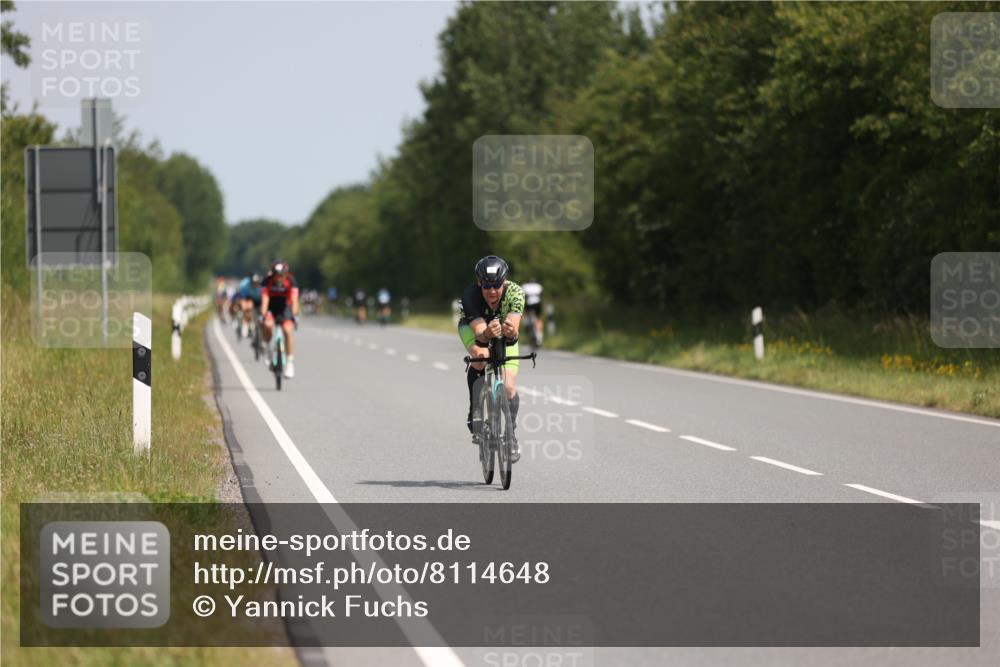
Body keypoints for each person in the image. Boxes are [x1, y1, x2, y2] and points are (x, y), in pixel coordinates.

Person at [457, 255, 526, 463]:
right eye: (487, 285)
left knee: (508, 386)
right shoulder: (470, 296)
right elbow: (479, 333)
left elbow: (514, 329)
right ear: (480, 283)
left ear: (504, 282)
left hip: (504, 337)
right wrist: (487, 333)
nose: (492, 291)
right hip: (475, 331)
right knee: (481, 356)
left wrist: (510, 331)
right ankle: (475, 409)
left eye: (497, 285)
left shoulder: (516, 293)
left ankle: (511, 435)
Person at [260, 260, 300, 379]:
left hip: (285, 307)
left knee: (288, 330)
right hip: (271, 306)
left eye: (282, 275)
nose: (279, 278)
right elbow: (265, 299)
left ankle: (289, 362)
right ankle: (267, 348)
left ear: (286, 274)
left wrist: (295, 316)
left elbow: (294, 300)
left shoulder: (291, 281)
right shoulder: (267, 281)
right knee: (267, 325)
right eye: (277, 275)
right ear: (272, 274)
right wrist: (263, 315)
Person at [235, 273, 263, 339]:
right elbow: (243, 299)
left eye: (257, 282)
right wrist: (244, 307)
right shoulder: (246, 286)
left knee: (262, 315)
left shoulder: (262, 287)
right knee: (248, 308)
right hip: (250, 300)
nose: (255, 284)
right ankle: (247, 324)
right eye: (253, 282)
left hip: (260, 301)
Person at [521, 277, 544, 346]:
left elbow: (521, 295)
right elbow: (541, 296)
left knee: (526, 315)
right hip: (537, 304)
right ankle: (539, 337)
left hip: (528, 304)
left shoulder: (524, 286)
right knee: (538, 319)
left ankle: (527, 324)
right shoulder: (539, 286)